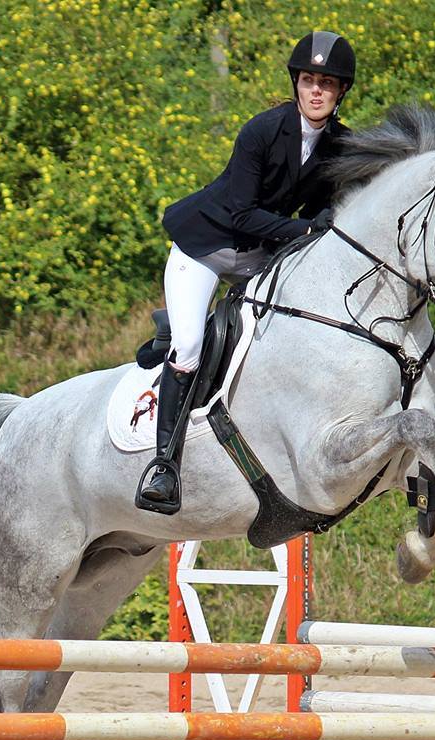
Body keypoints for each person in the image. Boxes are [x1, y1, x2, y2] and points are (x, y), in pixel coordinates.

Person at [137, 30, 356, 514]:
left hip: (260, 253)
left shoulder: (341, 144)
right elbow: (240, 215)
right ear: (296, 84)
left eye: (327, 82)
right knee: (191, 345)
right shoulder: (261, 131)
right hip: (206, 246)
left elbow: (325, 212)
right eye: (308, 80)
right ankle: (163, 466)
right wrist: (303, 230)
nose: (316, 90)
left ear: (342, 92)